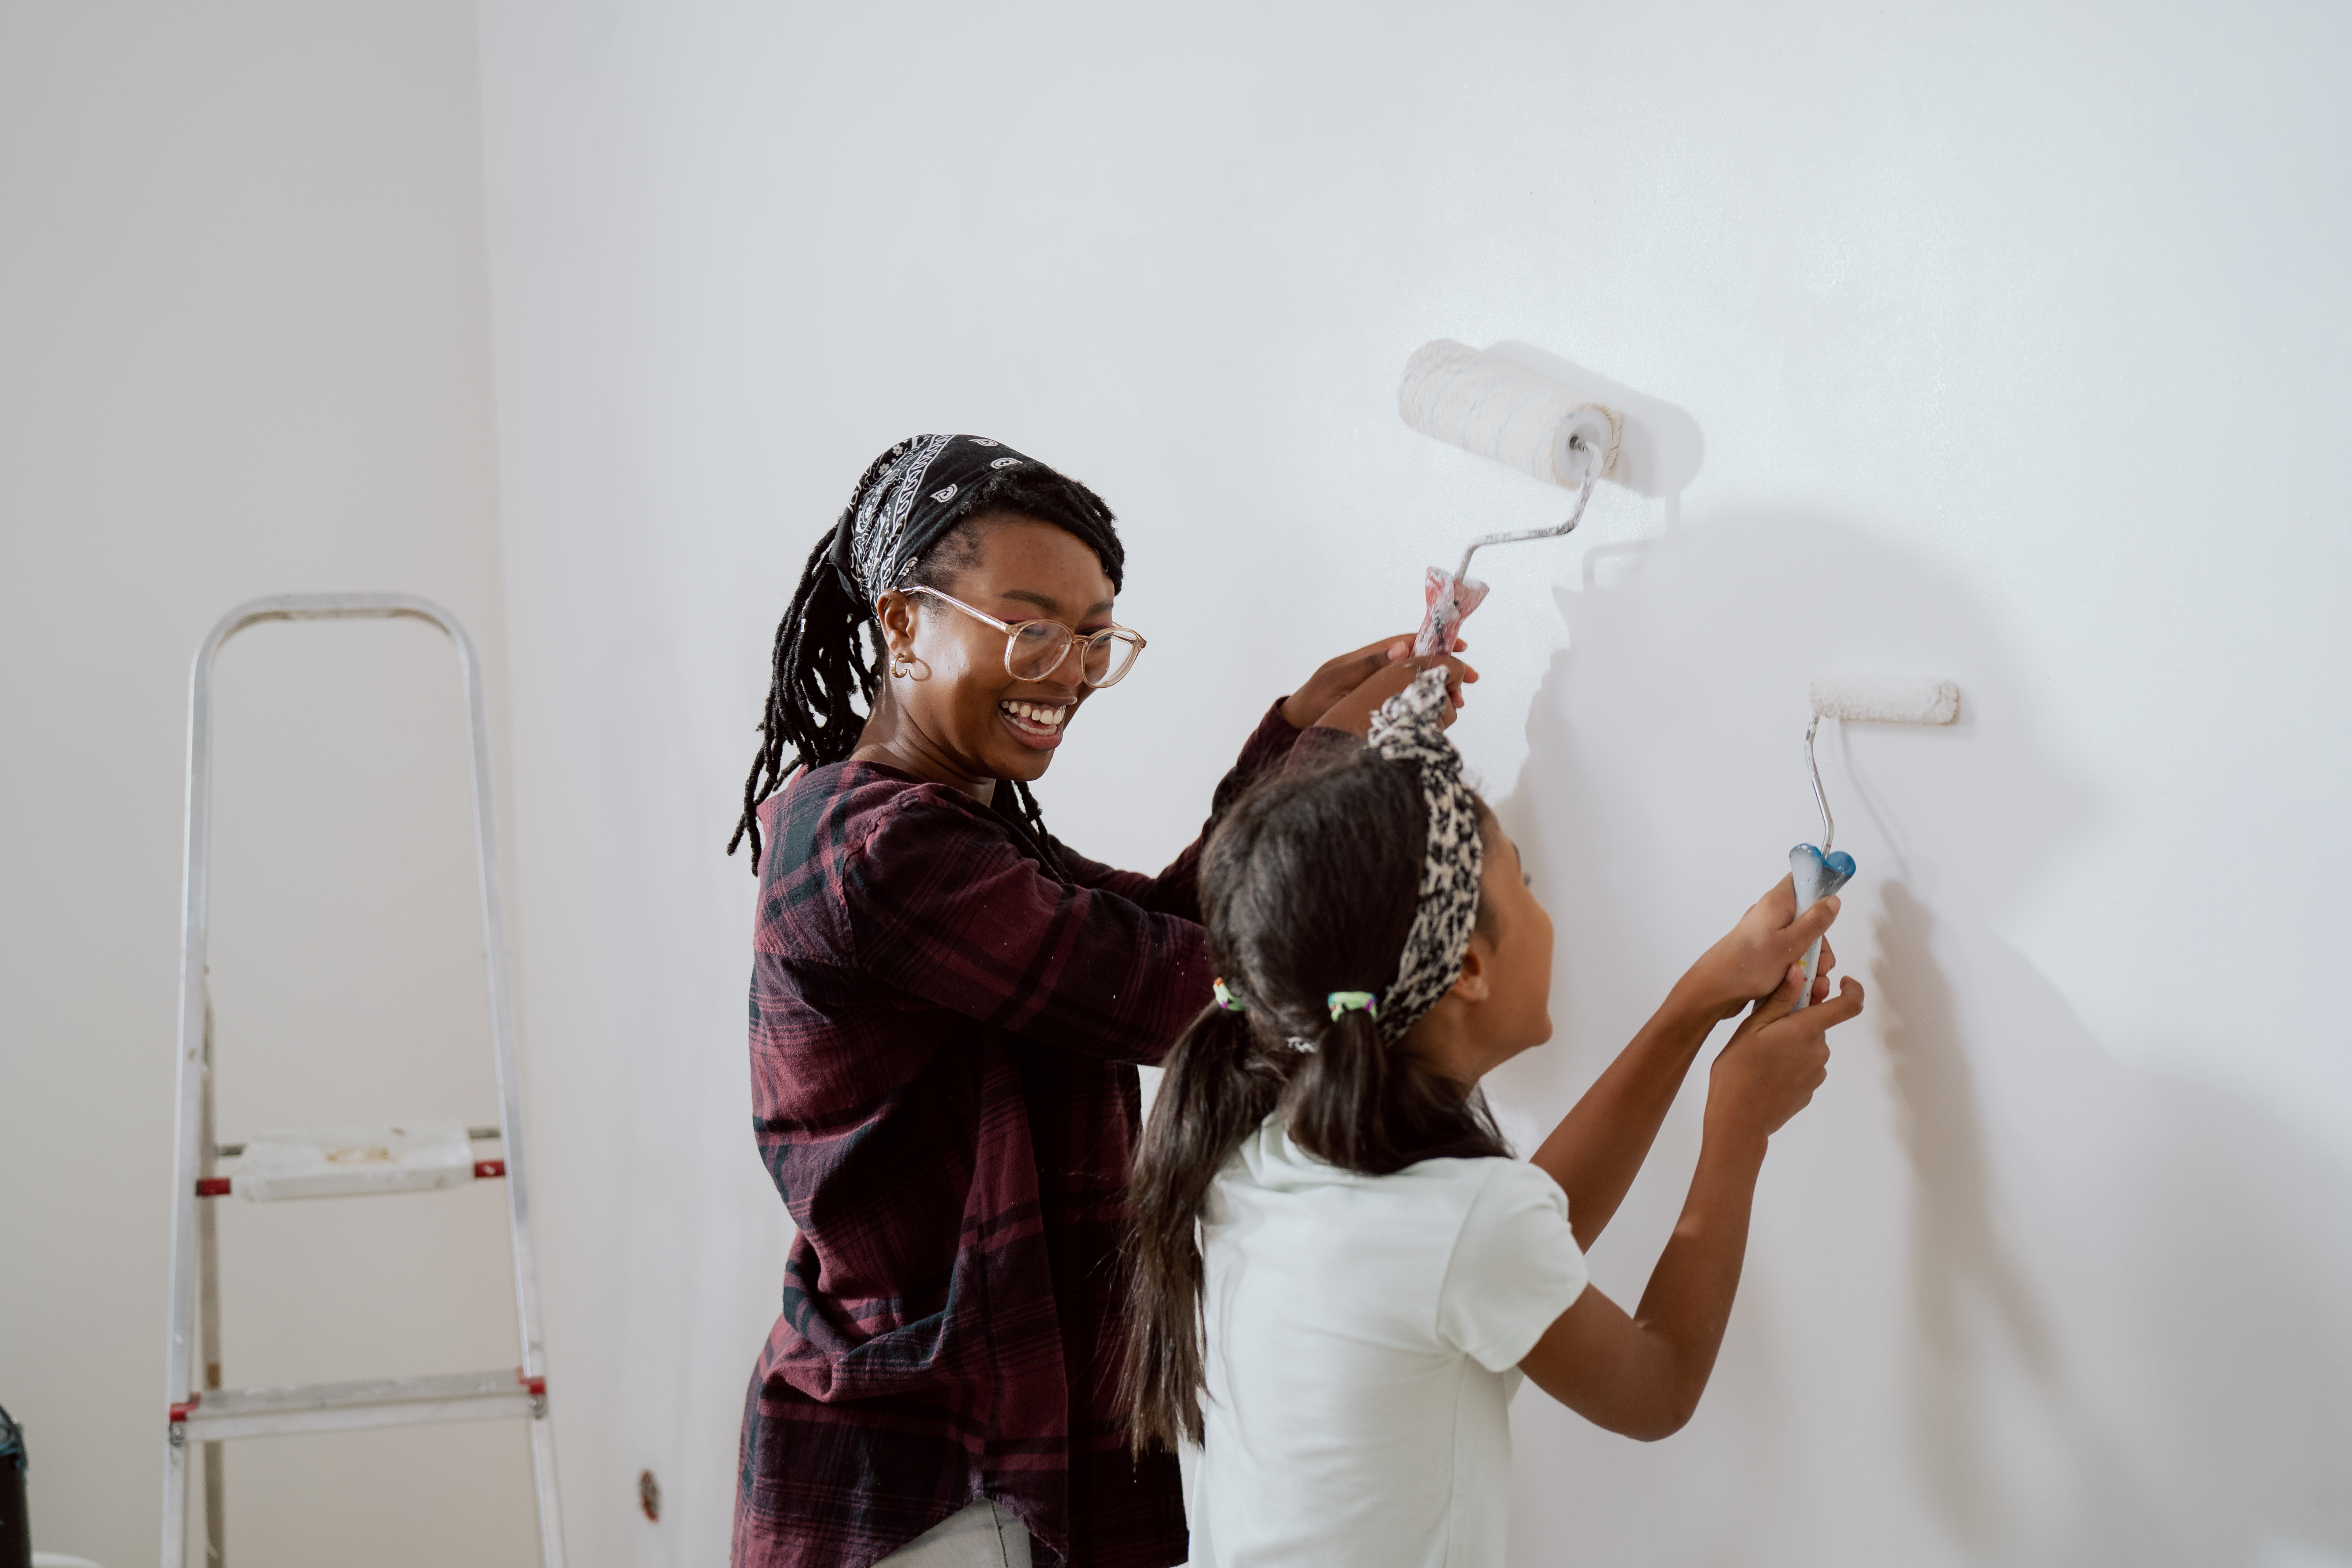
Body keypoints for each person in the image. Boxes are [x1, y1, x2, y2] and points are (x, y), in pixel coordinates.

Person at [725, 435, 1470, 1568]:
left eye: (1092, 636)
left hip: (991, 1456)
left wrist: (1296, 741)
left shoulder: (950, 833)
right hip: (923, 1480)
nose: (1068, 671)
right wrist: (1324, 761)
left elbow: (1161, 932)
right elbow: (1180, 989)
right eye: (1031, 626)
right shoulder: (877, 852)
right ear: (903, 625)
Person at [1125, 669, 1866, 1568]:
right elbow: (1658, 1385)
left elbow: (1502, 1240)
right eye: (1527, 883)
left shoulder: (1264, 1143)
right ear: (1471, 966)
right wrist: (1738, 1127)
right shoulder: (1454, 1221)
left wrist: (1690, 1009)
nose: (1548, 911)